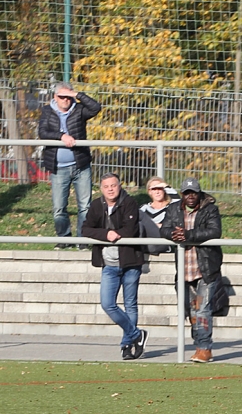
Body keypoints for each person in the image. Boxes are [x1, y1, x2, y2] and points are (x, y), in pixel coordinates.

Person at [81, 173, 148, 360]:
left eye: (113, 185)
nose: (110, 189)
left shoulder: (129, 203)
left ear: (119, 186)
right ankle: (137, 335)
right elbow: (86, 229)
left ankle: (127, 345)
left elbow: (130, 229)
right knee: (107, 304)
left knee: (130, 305)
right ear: (101, 189)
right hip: (109, 265)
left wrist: (116, 234)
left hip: (131, 262)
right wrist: (106, 234)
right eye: (106, 186)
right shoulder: (97, 205)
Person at [158, 177, 222, 363]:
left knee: (201, 310)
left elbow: (214, 231)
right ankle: (199, 343)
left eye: (194, 193)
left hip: (205, 271)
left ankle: (204, 349)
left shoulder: (210, 209)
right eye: (187, 193)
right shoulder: (173, 209)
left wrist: (188, 235)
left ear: (199, 193)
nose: (191, 196)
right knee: (191, 311)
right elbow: (163, 229)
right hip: (184, 271)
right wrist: (173, 234)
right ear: (182, 194)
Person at [38, 82, 102, 244]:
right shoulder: (47, 111)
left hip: (81, 166)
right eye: (62, 96)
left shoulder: (79, 110)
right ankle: (64, 239)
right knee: (59, 209)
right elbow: (42, 132)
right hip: (59, 168)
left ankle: (83, 240)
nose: (65, 100)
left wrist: (77, 95)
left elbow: (95, 108)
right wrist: (62, 136)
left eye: (68, 96)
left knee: (85, 207)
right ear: (55, 97)